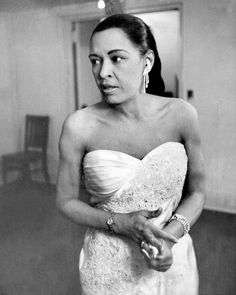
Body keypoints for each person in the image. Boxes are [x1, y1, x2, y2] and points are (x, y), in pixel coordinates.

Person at [56, 14, 205, 295]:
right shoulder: (78, 126)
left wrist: (168, 238)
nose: (102, 72)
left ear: (146, 61)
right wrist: (118, 223)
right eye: (95, 60)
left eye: (116, 58)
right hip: (108, 266)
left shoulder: (182, 115)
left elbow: (198, 193)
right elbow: (65, 201)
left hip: (170, 260)